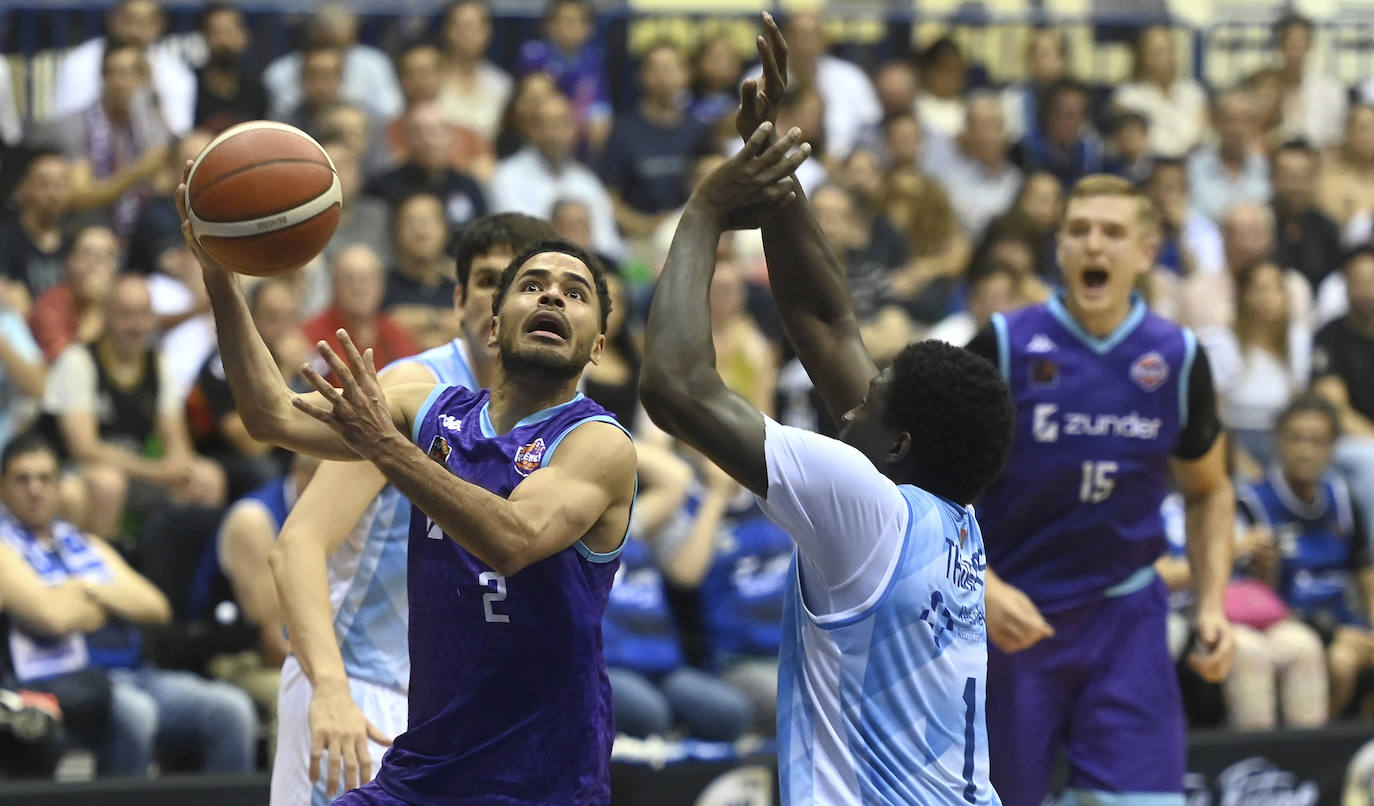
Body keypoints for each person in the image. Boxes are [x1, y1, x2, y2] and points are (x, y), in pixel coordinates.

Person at [180, 135, 637, 806]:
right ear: (489, 326)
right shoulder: (426, 406)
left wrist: (389, 450)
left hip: (540, 775)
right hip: (422, 764)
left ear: (598, 344)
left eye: (574, 293)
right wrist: (221, 276)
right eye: (532, 285)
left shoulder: (597, 443)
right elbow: (271, 416)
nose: (551, 298)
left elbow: (511, 539)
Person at [641, 16, 1015, 803]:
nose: (852, 401)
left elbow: (675, 385)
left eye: (871, 400)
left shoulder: (866, 508)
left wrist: (709, 209)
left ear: (899, 441)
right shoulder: (954, 523)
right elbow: (826, 323)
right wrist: (776, 169)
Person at [961, 172, 1237, 806]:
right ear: (1058, 246)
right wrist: (984, 588)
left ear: (1146, 252)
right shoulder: (1004, 345)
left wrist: (1213, 604)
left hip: (1125, 615)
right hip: (1012, 618)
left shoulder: (1177, 357)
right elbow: (926, 487)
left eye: (1113, 233)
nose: (1094, 246)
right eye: (1079, 231)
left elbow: (1209, 491)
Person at [267, 213, 555, 804]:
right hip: (354, 686)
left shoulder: (559, 417)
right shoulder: (410, 390)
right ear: (457, 298)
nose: (497, 300)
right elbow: (299, 543)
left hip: (449, 710)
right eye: (484, 281)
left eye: (519, 283)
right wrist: (329, 689)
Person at [0, 431, 257, 776]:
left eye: (45, 478)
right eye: (22, 479)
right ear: (2, 488)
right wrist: (109, 599)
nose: (35, 489)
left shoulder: (83, 542)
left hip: (136, 674)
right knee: (135, 713)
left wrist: (88, 590)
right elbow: (54, 617)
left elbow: (155, 606)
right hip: (66, 685)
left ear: (59, 486)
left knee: (231, 710)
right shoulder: (4, 547)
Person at [1239, 395, 1374, 718]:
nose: (1305, 450)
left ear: (1332, 447)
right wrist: (1332, 634)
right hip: (1288, 622)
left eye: (1317, 441)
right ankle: (1315, 758)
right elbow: (1253, 597)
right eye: (1295, 439)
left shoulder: (1341, 496)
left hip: (1346, 621)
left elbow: (1365, 572)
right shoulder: (1252, 502)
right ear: (1278, 441)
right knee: (1340, 663)